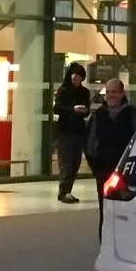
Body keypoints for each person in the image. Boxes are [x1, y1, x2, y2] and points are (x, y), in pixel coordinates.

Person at [85, 78, 136, 202]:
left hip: (126, 173)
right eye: (108, 92)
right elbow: (89, 143)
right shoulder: (97, 115)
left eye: (114, 92)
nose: (110, 95)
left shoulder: (132, 114)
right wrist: (97, 169)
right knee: (105, 209)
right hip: (103, 171)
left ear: (122, 93)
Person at [53, 64, 93, 204]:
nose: (76, 78)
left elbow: (87, 110)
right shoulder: (63, 90)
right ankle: (63, 191)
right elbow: (56, 108)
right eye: (74, 76)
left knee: (75, 162)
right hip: (65, 130)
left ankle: (67, 191)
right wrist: (72, 109)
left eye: (79, 77)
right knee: (66, 161)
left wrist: (84, 111)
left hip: (78, 130)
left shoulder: (84, 92)